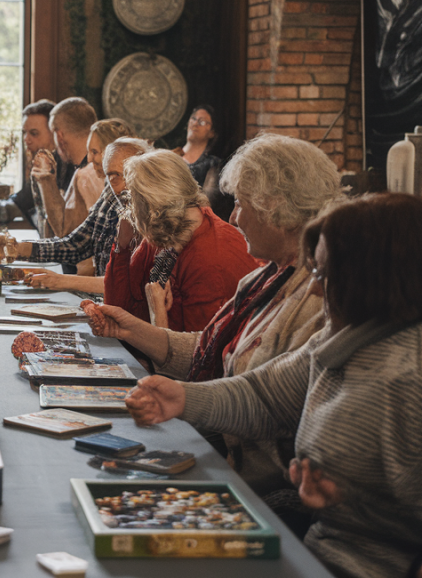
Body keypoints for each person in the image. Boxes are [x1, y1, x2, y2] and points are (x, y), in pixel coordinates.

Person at [125, 193, 422, 578]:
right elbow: (264, 396)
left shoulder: (408, 379)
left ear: (373, 278)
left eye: (324, 275)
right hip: (317, 550)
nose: (314, 290)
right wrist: (181, 397)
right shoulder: (343, 339)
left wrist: (352, 504)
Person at [90, 135, 341, 496]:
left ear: (278, 208)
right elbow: (210, 345)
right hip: (226, 452)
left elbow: (269, 400)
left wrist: (183, 396)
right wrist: (134, 330)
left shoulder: (314, 295)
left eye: (240, 203)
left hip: (260, 482)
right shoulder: (267, 275)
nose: (234, 216)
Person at [104, 149, 259, 333]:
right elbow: (117, 309)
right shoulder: (162, 233)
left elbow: (192, 358)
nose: (130, 208)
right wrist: (121, 248)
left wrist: (157, 312)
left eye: (134, 199)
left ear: (152, 204)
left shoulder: (209, 258)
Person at [0, 132, 146, 294]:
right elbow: (77, 244)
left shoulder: (154, 217)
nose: (124, 184)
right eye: (112, 177)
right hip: (103, 304)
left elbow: (127, 286)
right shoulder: (111, 194)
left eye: (129, 174)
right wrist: (16, 248)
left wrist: (60, 280)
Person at [0, 100, 77, 230]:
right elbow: (20, 202)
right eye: (24, 133)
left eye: (34, 133)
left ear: (54, 133)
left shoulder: (72, 167)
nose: (26, 139)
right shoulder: (40, 167)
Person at [31, 97, 99, 239]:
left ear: (59, 135)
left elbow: (64, 231)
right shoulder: (101, 165)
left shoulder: (86, 174)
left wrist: (45, 181)